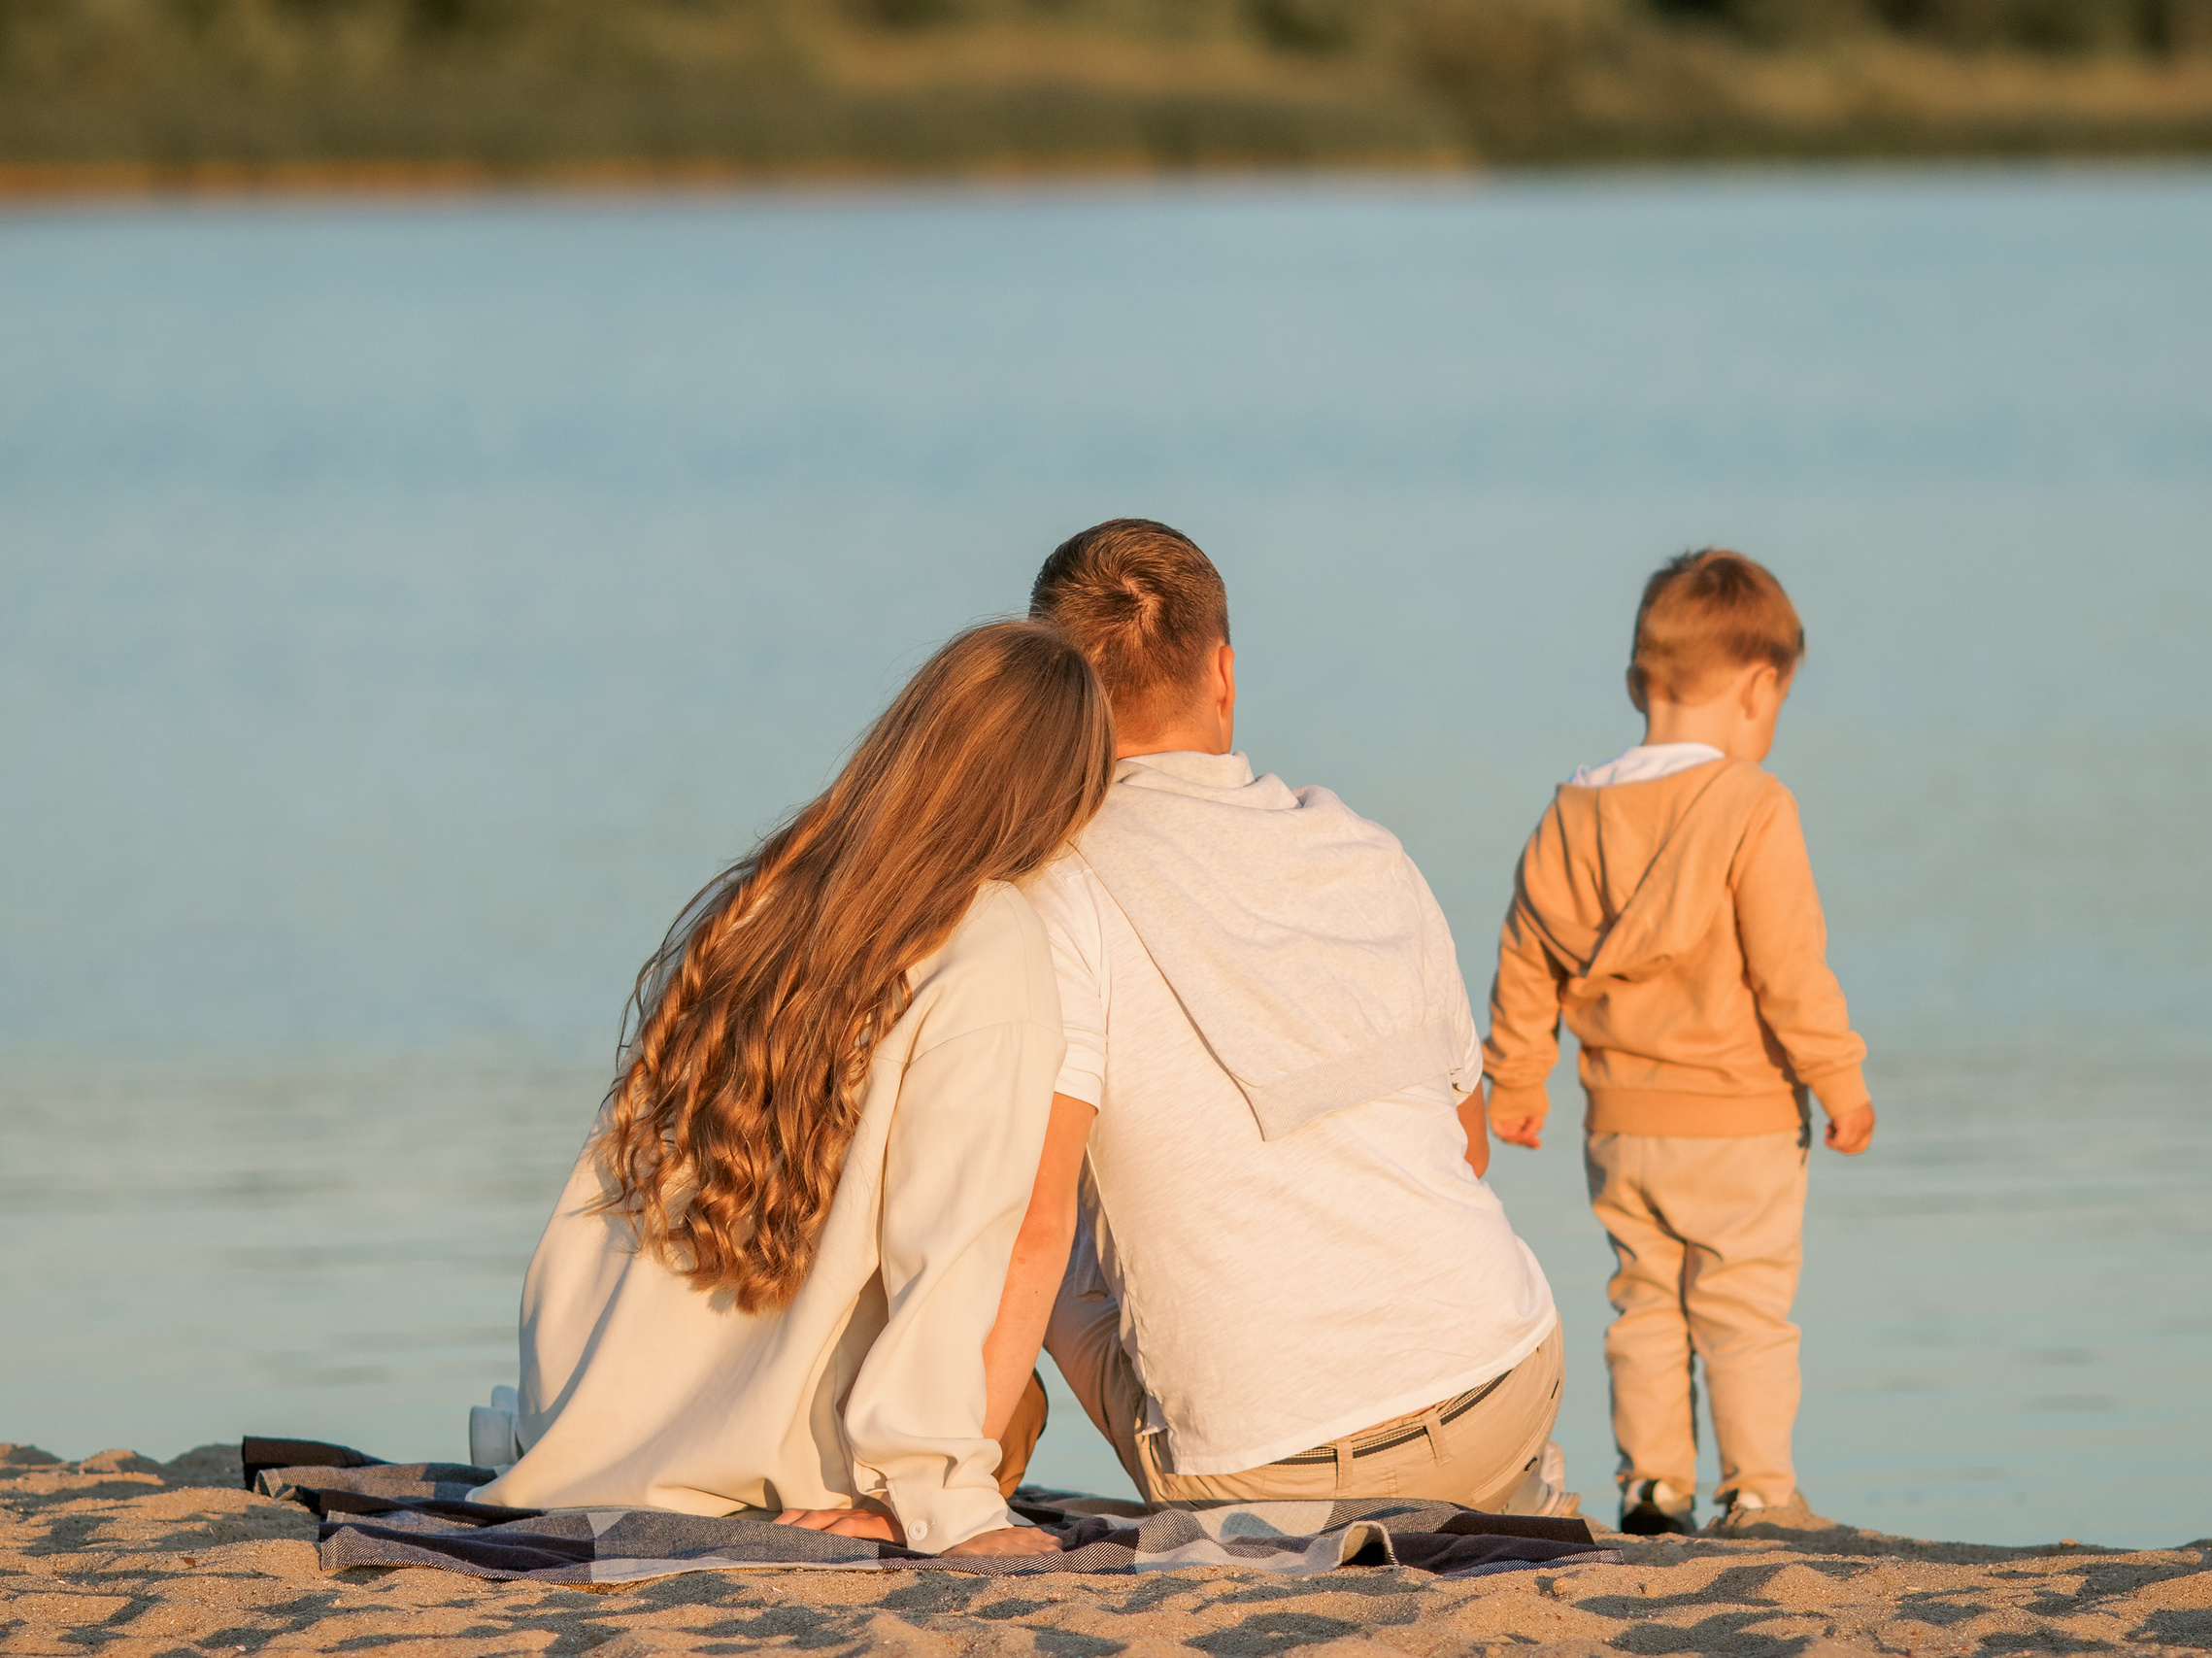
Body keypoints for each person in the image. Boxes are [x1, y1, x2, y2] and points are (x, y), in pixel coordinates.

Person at [475, 622, 1110, 1557]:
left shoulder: (763, 894)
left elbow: (609, 1196)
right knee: (1016, 1406)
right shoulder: (993, 943)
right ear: (1062, 799)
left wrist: (560, 1416)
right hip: (763, 1460)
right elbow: (955, 1245)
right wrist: (932, 1501)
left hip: (586, 1427)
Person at [1022, 519, 1570, 1514]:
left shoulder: (1054, 889)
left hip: (1267, 1471)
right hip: (1506, 1379)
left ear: (1043, 701)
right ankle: (1510, 1493)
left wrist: (943, 1493)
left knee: (1037, 1203)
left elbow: (1023, 1227)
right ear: (1222, 675)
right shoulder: (1361, 846)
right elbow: (1469, 1148)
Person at [1480, 548, 1874, 1539]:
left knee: (1644, 1307)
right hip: (1738, 1120)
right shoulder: (1751, 805)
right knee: (1742, 1308)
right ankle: (1758, 1493)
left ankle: (1653, 1487)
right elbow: (1789, 969)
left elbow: (1526, 954)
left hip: (1620, 1125)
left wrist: (1519, 1079)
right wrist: (1839, 1079)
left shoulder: (1567, 813)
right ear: (1758, 687)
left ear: (1635, 685)